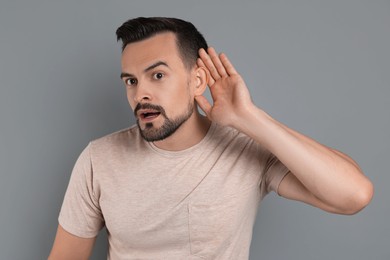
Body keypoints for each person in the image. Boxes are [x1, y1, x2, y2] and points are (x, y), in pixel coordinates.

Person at [48, 17, 373, 260]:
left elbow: (354, 195)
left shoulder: (245, 149)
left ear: (197, 80)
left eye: (157, 75)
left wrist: (250, 118)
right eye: (131, 81)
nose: (140, 93)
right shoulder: (99, 158)